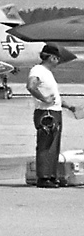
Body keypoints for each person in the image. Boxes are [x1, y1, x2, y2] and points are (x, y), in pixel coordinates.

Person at [27, 43, 81, 187]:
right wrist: (44, 99)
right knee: (46, 145)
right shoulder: (38, 70)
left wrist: (68, 106)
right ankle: (43, 177)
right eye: (57, 58)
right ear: (50, 57)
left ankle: (50, 175)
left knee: (53, 146)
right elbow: (31, 86)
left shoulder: (47, 73)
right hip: (46, 113)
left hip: (55, 111)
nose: (58, 61)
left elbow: (54, 96)